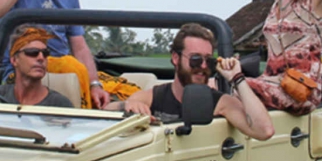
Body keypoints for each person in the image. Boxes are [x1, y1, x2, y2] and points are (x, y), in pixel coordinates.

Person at [111, 23, 274, 139]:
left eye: (208, 60)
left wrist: (237, 79)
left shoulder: (220, 103)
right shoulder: (154, 96)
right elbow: (105, 111)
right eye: (195, 59)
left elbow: (264, 131)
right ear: (176, 58)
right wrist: (127, 107)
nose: (203, 66)